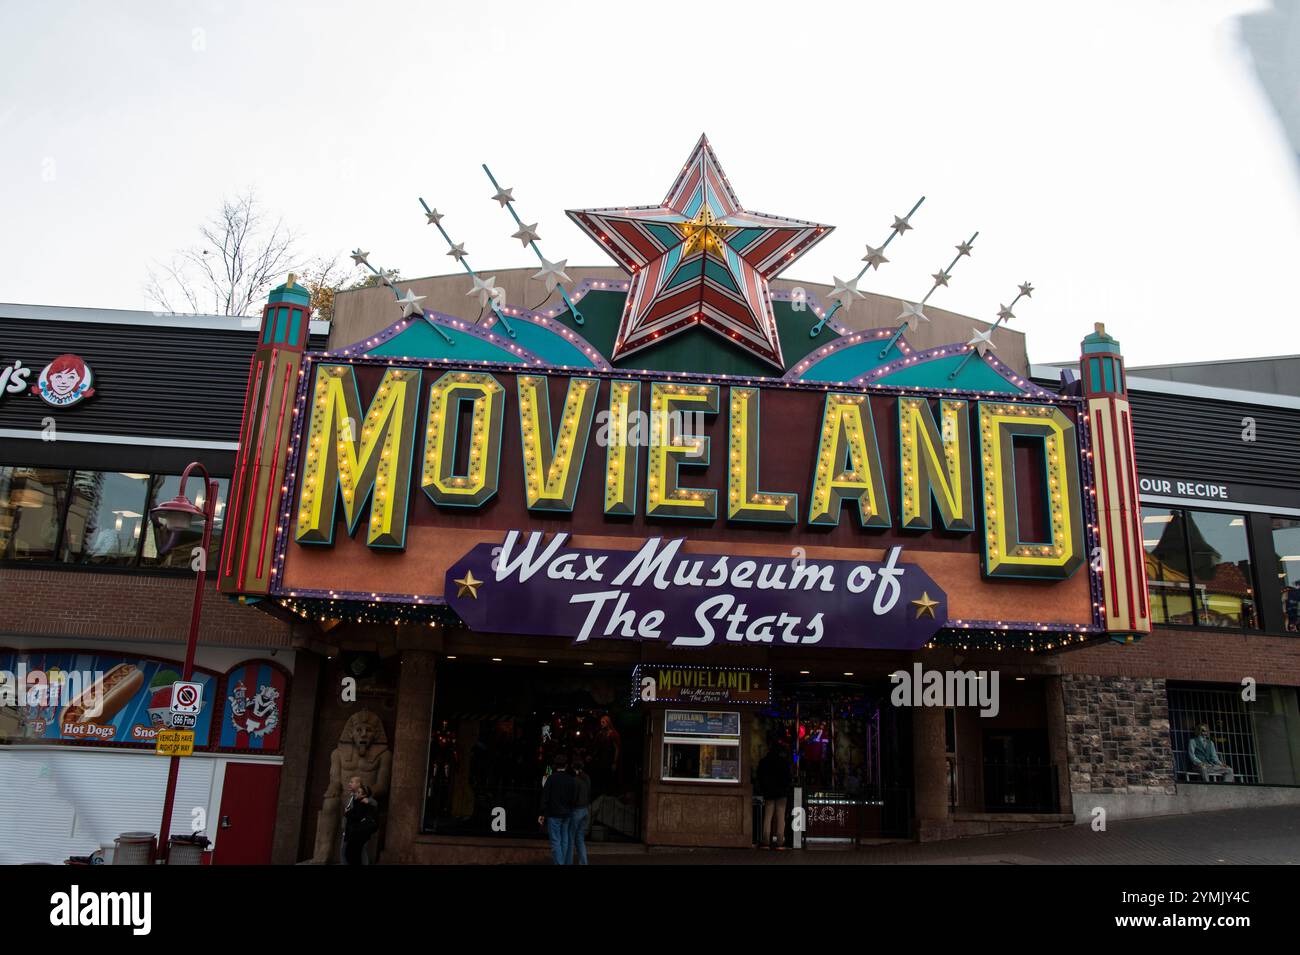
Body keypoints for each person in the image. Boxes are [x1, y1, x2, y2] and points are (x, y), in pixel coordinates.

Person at [538, 753, 577, 865]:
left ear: (555, 765)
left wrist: (542, 813)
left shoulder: (551, 779)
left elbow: (545, 797)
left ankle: (559, 863)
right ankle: (562, 862)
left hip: (554, 814)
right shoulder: (571, 780)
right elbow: (573, 798)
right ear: (566, 765)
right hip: (567, 814)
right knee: (564, 841)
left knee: (555, 841)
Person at [756, 743, 792, 850]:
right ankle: (780, 840)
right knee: (780, 816)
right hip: (781, 793)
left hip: (769, 793)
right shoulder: (784, 762)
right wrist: (786, 788)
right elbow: (788, 777)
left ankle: (766, 840)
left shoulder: (764, 762)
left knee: (768, 816)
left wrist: (764, 788)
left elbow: (760, 777)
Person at [342, 776, 379, 865]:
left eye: (352, 782)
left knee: (355, 854)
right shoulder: (353, 798)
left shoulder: (365, 801)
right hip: (351, 831)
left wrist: (347, 813)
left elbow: (357, 815)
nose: (349, 784)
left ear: (358, 784)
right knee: (348, 853)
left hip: (358, 832)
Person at [569, 759, 591, 865]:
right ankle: (583, 863)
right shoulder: (587, 778)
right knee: (580, 839)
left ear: (574, 768)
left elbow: (573, 798)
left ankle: (567, 861)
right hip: (585, 810)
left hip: (577, 811)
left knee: (570, 838)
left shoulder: (575, 780)